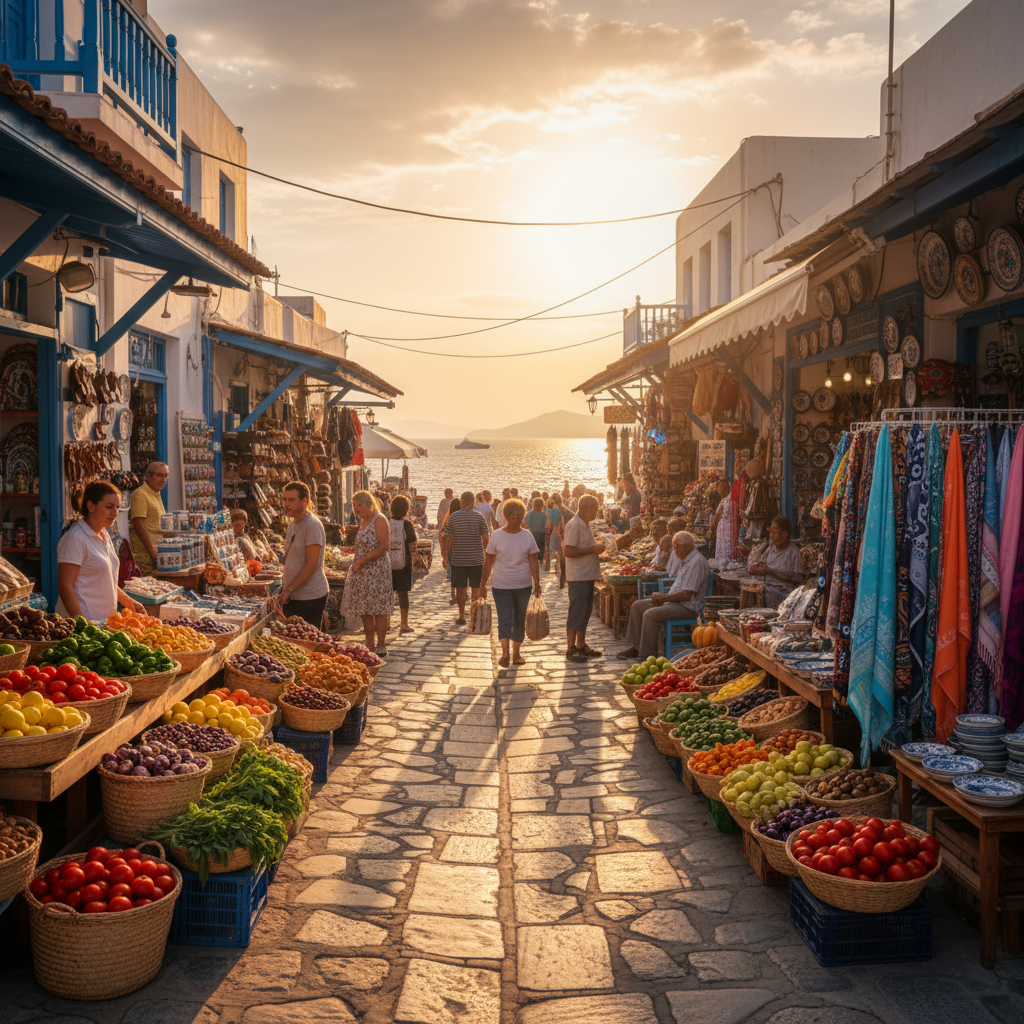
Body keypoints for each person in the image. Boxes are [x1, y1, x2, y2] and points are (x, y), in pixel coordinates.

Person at [57, 482, 145, 620]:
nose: (115, 513)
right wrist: (82, 625)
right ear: (91, 506)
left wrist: (129, 602)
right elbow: (65, 587)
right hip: (83, 624)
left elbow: (106, 580)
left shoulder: (104, 534)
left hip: (104, 622)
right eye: (109, 507)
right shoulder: (75, 538)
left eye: (117, 507)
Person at [616, 532, 711, 660]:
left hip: (688, 608)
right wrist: (664, 597)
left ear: (689, 546)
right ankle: (637, 647)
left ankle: (647, 655)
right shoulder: (686, 560)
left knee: (651, 615)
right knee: (638, 606)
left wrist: (664, 597)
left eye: (678, 547)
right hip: (675, 602)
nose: (675, 550)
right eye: (674, 547)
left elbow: (687, 595)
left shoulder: (696, 562)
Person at [479, 498, 541, 668]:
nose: (517, 517)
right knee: (505, 618)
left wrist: (537, 583)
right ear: (505, 516)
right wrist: (482, 584)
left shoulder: (527, 536)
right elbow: (489, 560)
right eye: (513, 515)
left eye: (520, 514)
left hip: (523, 585)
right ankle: (505, 654)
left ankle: (516, 653)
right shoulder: (497, 535)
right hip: (501, 586)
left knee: (519, 619)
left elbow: (534, 561)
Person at [341, 489, 393, 655]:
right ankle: (369, 643)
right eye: (354, 505)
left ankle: (381, 644)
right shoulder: (363, 521)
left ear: (369, 505)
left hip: (377, 571)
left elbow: (384, 546)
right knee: (365, 609)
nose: (356, 509)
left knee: (379, 608)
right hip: (363, 572)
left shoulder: (379, 519)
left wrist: (361, 561)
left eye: (359, 505)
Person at [281, 481, 332, 631]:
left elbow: (312, 564)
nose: (287, 504)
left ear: (305, 501)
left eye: (291, 500)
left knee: (308, 642)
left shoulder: (312, 525)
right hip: (294, 596)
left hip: (310, 596)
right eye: (284, 499)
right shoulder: (293, 524)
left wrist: (289, 590)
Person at [563, 493, 604, 661]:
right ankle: (571, 648)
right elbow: (569, 551)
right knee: (576, 611)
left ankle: (581, 645)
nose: (595, 513)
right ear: (586, 507)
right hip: (578, 576)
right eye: (594, 509)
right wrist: (592, 550)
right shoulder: (574, 525)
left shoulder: (584, 524)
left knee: (585, 612)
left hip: (586, 574)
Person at [443, 490, 489, 625]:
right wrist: (487, 554)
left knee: (460, 588)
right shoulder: (479, 517)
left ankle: (462, 615)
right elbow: (486, 537)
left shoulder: (453, 517)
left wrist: (446, 556)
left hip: (458, 559)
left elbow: (447, 538)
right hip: (476, 559)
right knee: (476, 588)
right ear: (473, 503)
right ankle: (474, 615)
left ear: (461, 503)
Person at [747, 515, 805, 607]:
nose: (772, 535)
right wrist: (756, 568)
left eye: (774, 532)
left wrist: (772, 571)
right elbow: (760, 564)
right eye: (771, 532)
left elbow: (798, 577)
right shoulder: (770, 548)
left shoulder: (794, 552)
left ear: (784, 534)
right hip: (769, 594)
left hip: (786, 597)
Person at [129, 461, 169, 573]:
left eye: (166, 475)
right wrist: (151, 550)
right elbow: (138, 524)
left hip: (157, 554)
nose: (163, 479)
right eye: (159, 475)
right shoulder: (140, 494)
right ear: (148, 476)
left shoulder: (156, 493)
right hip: (145, 556)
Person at [389, 494, 418, 635]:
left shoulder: (386, 523)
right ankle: (404, 623)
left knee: (387, 593)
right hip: (403, 562)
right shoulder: (407, 525)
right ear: (406, 510)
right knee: (403, 594)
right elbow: (412, 544)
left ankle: (385, 622)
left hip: (387, 562)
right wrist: (416, 559)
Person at [440, 494, 462, 605]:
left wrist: (444, 553)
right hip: (462, 549)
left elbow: (444, 536)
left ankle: (453, 595)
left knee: (453, 574)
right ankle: (462, 593)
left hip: (452, 549)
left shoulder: (449, 519)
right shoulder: (462, 519)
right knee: (462, 572)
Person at [525, 498, 548, 565]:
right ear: (542, 506)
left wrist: (527, 528)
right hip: (541, 533)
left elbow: (525, 522)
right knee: (541, 546)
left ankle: (533, 558)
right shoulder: (544, 514)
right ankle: (540, 559)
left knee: (533, 546)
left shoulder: (530, 513)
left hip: (532, 533)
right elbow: (547, 524)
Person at [546, 494, 564, 571]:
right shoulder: (558, 510)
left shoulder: (547, 511)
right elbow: (561, 521)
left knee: (548, 548)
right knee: (559, 549)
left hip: (551, 530)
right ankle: (558, 566)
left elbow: (547, 523)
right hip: (557, 530)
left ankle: (548, 565)